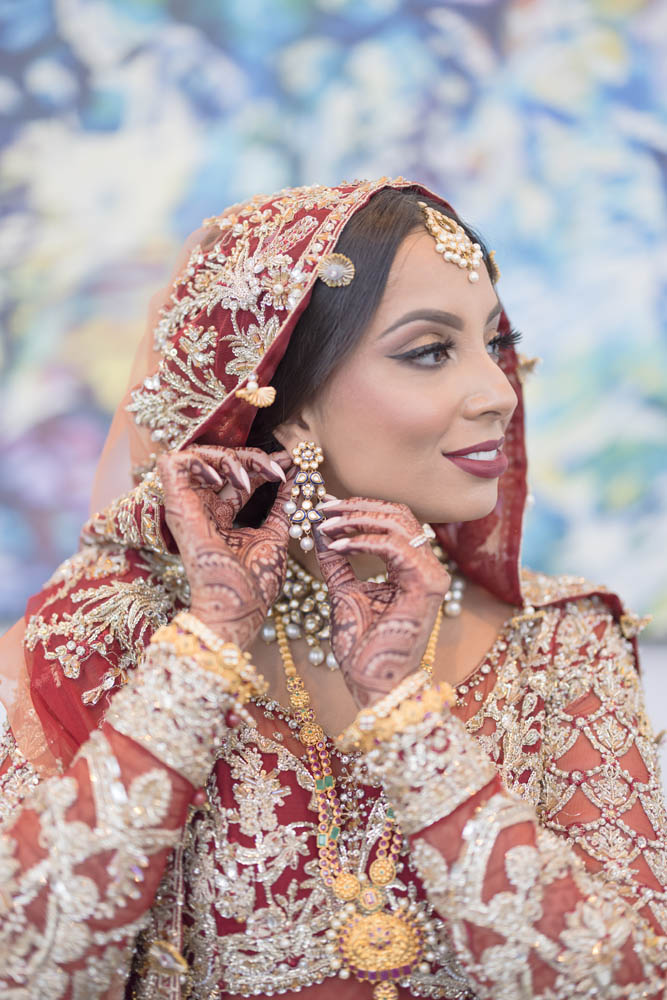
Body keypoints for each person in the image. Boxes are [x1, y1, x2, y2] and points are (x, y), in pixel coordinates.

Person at [0, 177, 665, 1000]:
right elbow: (29, 973)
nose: (499, 391)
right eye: (429, 350)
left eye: (495, 342)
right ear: (288, 402)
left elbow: (623, 985)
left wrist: (405, 720)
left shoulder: (558, 643)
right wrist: (208, 648)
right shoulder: (101, 643)